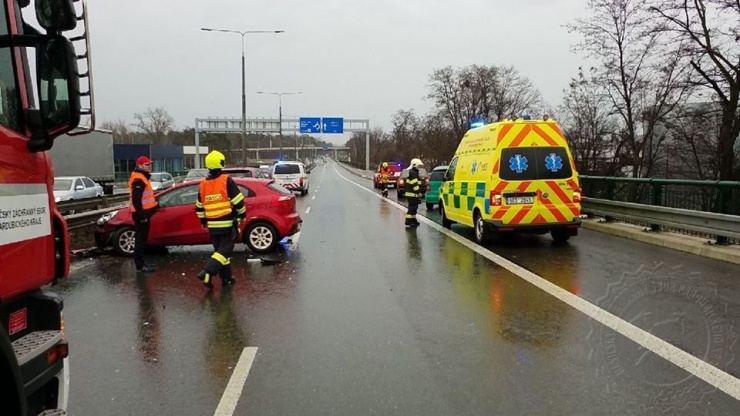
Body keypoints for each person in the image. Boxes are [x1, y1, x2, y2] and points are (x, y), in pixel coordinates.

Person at [195, 150, 246, 289]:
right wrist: (242, 214)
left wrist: (203, 221)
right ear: (221, 163)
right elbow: (238, 201)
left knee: (221, 253)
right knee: (225, 250)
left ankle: (226, 278)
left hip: (212, 224)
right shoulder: (226, 180)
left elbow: (199, 206)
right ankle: (207, 271)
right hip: (226, 222)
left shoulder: (203, 184)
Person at [129, 156, 158, 273]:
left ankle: (141, 263)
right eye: (147, 165)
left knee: (142, 240)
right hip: (141, 214)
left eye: (150, 164)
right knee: (140, 240)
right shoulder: (139, 179)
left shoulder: (142, 177)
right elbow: (136, 200)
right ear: (140, 165)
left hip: (144, 213)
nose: (149, 166)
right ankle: (140, 266)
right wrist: (142, 216)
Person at [404, 158, 424, 227]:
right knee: (412, 208)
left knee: (414, 207)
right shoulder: (413, 173)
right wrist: (418, 192)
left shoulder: (414, 172)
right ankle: (408, 221)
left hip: (413, 194)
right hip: (412, 194)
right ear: (414, 165)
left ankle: (413, 220)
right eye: (418, 166)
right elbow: (414, 185)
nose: (419, 167)